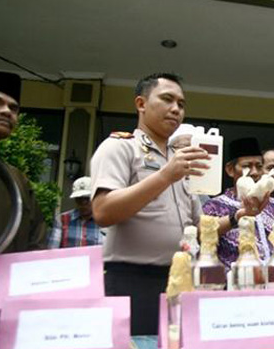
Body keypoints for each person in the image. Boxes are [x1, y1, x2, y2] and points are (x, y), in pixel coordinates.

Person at [90, 72, 209, 335]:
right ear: (141, 104)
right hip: (131, 279)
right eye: (167, 99)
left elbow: (199, 227)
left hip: (180, 278)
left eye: (181, 103)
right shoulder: (120, 148)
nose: (176, 109)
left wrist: (240, 216)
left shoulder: (179, 160)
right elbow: (102, 211)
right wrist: (165, 175)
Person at [0, 71, 46, 298]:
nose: (6, 111)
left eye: (13, 108)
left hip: (6, 304)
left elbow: (37, 241)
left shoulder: (17, 179)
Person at [202, 137, 274, 268]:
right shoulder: (214, 206)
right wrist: (236, 217)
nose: (254, 172)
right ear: (230, 170)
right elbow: (203, 237)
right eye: (246, 166)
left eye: (259, 166)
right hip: (232, 283)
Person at [47, 176, 105, 248]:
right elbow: (53, 251)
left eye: (87, 198)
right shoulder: (62, 220)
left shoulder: (106, 221)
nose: (83, 203)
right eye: (79, 199)